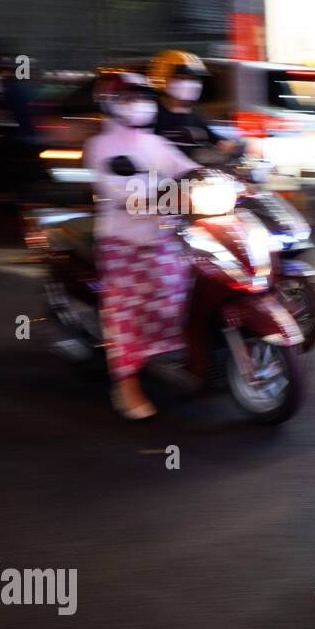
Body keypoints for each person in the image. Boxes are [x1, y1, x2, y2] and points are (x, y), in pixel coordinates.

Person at [84, 71, 198, 419]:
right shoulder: (100, 146)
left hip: (161, 236)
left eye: (144, 97)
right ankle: (126, 385)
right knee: (126, 313)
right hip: (122, 241)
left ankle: (170, 357)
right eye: (129, 98)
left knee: (181, 291)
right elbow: (117, 190)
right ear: (110, 103)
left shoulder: (155, 144)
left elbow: (189, 168)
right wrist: (163, 197)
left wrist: (232, 178)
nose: (139, 105)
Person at [147, 50, 242, 161]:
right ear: (163, 78)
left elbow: (213, 138)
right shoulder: (150, 113)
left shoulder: (193, 113)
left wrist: (230, 146)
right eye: (181, 78)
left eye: (194, 79)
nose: (190, 84)